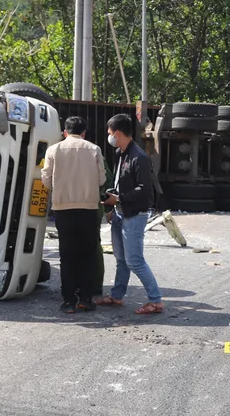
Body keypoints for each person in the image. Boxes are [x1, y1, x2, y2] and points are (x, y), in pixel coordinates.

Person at [95, 113, 164, 315]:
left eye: (110, 133)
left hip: (134, 215)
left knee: (134, 260)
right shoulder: (120, 153)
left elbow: (144, 190)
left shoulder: (139, 157)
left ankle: (156, 300)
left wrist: (119, 198)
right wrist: (113, 200)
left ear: (117, 133)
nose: (109, 137)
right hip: (120, 212)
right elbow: (121, 182)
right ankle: (117, 296)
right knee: (121, 258)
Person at [41, 116, 107, 314]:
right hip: (88, 208)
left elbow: (45, 180)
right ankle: (85, 299)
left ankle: (69, 300)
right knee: (87, 254)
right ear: (84, 133)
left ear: (65, 132)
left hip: (63, 209)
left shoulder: (53, 150)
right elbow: (102, 179)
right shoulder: (94, 149)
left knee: (67, 256)